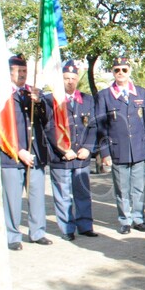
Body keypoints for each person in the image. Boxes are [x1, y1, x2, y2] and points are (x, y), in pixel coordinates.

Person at [43, 60, 99, 241]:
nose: (70, 81)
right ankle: (67, 228)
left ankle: (85, 226)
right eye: (66, 78)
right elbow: (49, 128)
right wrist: (63, 149)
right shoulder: (50, 100)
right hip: (62, 157)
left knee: (82, 193)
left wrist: (88, 148)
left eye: (73, 78)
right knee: (63, 194)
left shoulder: (87, 99)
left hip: (81, 156)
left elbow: (93, 126)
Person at [0, 54, 52, 250]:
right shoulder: (2, 96)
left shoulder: (33, 93)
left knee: (37, 195)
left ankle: (37, 232)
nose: (22, 75)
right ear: (9, 73)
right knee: (12, 199)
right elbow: (0, 128)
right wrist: (18, 150)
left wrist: (39, 102)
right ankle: (13, 236)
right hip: (11, 155)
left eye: (24, 71)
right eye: (18, 71)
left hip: (35, 153)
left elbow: (48, 120)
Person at [96, 57, 145, 234]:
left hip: (138, 149)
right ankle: (125, 220)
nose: (121, 73)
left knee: (138, 188)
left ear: (129, 71)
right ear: (112, 72)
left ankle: (139, 219)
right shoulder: (105, 95)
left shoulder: (141, 93)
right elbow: (100, 126)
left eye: (124, 70)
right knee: (122, 189)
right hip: (117, 149)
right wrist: (104, 153)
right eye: (117, 70)